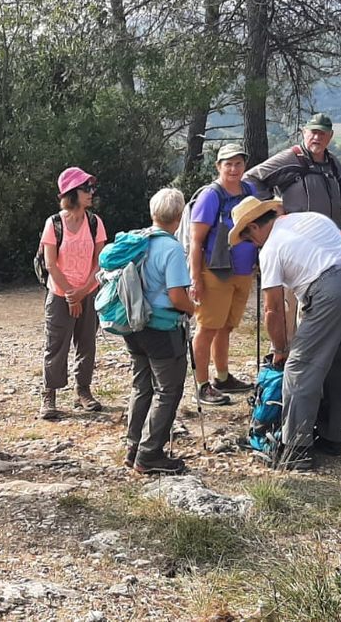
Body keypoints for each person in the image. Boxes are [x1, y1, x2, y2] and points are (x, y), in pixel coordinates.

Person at [230, 197, 341, 471]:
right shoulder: (312, 218)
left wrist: (281, 349)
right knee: (340, 367)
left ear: (254, 228)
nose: (252, 245)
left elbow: (272, 308)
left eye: (248, 239)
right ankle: (331, 438)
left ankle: (297, 449)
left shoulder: (270, 248)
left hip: (329, 292)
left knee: (300, 369)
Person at [244, 113, 341, 350]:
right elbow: (251, 179)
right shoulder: (290, 159)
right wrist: (272, 207)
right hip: (297, 246)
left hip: (329, 246)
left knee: (315, 306)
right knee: (290, 303)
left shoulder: (332, 163)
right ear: (304, 133)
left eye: (322, 133)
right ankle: (284, 352)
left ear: (330, 137)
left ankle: (317, 350)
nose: (317, 137)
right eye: (313, 132)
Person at [122, 188, 197, 475]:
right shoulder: (172, 248)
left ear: (153, 213)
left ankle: (133, 447)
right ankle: (150, 454)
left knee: (142, 385)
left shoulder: (138, 240)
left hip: (133, 324)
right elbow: (177, 296)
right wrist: (194, 309)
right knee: (168, 390)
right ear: (179, 217)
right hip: (162, 328)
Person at [186, 143, 259, 407]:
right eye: (227, 164)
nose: (233, 168)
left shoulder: (249, 192)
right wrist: (195, 279)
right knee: (207, 328)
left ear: (245, 165)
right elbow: (196, 241)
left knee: (226, 327)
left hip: (243, 271)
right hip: (215, 272)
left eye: (238, 163)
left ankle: (223, 376)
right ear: (218, 166)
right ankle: (202, 385)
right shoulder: (210, 196)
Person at [39, 167, 108, 420]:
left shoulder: (94, 222)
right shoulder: (54, 223)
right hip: (59, 294)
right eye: (85, 188)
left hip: (88, 292)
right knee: (56, 345)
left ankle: (83, 391)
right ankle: (49, 396)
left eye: (90, 188)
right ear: (71, 193)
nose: (91, 193)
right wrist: (70, 294)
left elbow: (99, 262)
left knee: (87, 342)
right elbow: (50, 264)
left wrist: (83, 292)